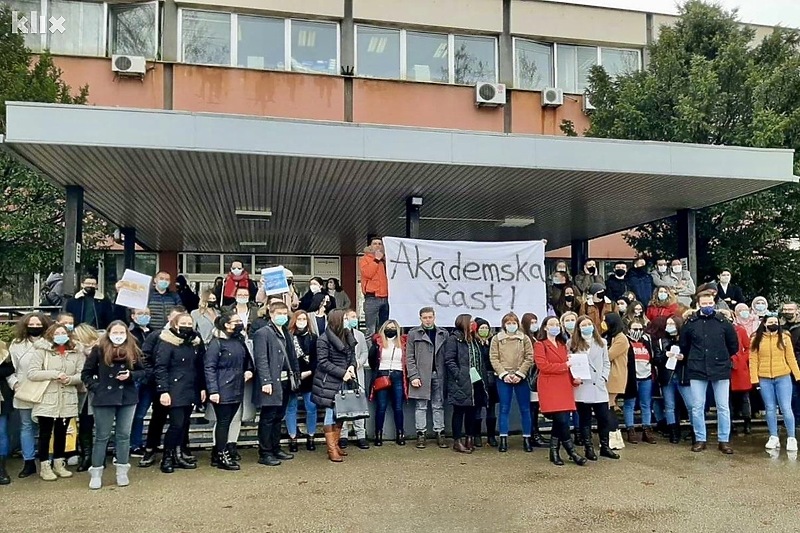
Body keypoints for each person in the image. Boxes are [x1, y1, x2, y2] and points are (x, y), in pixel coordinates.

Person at [82, 320, 145, 489]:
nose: (118, 336)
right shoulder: (99, 349)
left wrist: (131, 375)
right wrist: (97, 387)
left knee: (124, 435)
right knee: (102, 436)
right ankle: (96, 472)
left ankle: (122, 471)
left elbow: (143, 371)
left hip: (127, 397)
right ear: (108, 333)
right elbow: (86, 373)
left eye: (121, 332)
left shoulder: (133, 349)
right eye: (115, 332)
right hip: (104, 397)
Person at [679, 291, 739, 454]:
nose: (707, 306)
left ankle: (724, 440)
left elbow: (734, 345)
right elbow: (683, 344)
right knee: (697, 407)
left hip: (720, 367)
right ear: (698, 304)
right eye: (703, 304)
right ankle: (700, 439)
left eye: (709, 303)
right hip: (697, 368)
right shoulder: (690, 323)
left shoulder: (723, 322)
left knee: (723, 406)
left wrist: (722, 357)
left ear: (714, 303)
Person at [28, 323, 84, 481]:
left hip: (67, 397)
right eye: (57, 332)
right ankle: (45, 465)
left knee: (62, 432)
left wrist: (70, 379)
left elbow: (82, 373)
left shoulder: (76, 352)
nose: (60, 335)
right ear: (51, 335)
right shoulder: (42, 351)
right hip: (48, 397)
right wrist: (54, 374)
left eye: (63, 332)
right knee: (45, 433)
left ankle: (59, 463)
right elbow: (32, 373)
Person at [154, 312, 207, 473]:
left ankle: (179, 455)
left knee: (184, 424)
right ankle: (167, 457)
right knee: (176, 424)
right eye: (183, 323)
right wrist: (163, 390)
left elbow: (200, 366)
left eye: (189, 323)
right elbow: (160, 367)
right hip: (174, 389)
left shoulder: (195, 342)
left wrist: (202, 387)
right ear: (175, 325)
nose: (187, 326)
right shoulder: (167, 342)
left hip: (191, 388)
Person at [135, 306, 186, 466]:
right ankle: (151, 449)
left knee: (181, 421)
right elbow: (144, 357)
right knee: (158, 418)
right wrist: (153, 376)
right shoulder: (157, 335)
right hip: (160, 384)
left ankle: (179, 450)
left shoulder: (189, 338)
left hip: (182, 386)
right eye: (175, 317)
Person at [252, 301, 300, 466]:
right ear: (270, 314)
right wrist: (266, 380)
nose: (281, 317)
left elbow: (291, 356)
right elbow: (261, 359)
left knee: (279, 416)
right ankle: (265, 452)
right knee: (268, 417)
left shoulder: (285, 331)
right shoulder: (262, 333)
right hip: (271, 381)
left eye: (284, 314)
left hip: (285, 381)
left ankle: (275, 447)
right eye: (278, 313)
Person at [535, 316, 586, 466]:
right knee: (561, 420)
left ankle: (554, 451)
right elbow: (543, 366)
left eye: (557, 324)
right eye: (552, 324)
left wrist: (574, 380)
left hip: (563, 385)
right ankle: (572, 452)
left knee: (561, 420)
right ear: (545, 327)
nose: (555, 327)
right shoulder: (540, 345)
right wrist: (565, 366)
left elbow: (569, 367)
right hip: (549, 386)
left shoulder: (562, 344)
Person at [205, 312, 253, 470]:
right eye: (236, 321)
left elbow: (247, 360)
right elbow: (209, 367)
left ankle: (218, 453)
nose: (240, 323)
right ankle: (221, 454)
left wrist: (249, 369)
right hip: (222, 388)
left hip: (237, 387)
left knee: (228, 421)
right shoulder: (216, 343)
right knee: (223, 423)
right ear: (226, 324)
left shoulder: (238, 341)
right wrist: (213, 390)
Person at [7, 312, 52, 478]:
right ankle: (29, 462)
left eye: (38, 324)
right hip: (24, 391)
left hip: (47, 390)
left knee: (47, 427)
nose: (34, 327)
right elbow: (9, 369)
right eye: (31, 324)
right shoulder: (16, 344)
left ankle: (48, 461)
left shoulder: (52, 342)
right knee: (26, 426)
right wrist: (15, 384)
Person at [312, 309, 358, 463]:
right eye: (344, 318)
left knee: (341, 414)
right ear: (337, 320)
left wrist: (352, 366)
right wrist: (341, 373)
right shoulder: (324, 339)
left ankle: (336, 445)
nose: (347, 320)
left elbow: (352, 356)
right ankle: (331, 449)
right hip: (329, 382)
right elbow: (323, 362)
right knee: (330, 414)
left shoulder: (347, 336)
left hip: (344, 380)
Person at [570, 315, 619, 460]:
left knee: (603, 418)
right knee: (584, 419)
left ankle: (605, 446)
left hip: (598, 385)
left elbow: (606, 362)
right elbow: (570, 363)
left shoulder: (602, 342)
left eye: (589, 324)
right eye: (583, 325)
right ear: (578, 328)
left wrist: (604, 377)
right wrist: (574, 377)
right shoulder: (572, 343)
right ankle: (588, 448)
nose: (587, 327)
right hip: (582, 385)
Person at [750, 314, 800, 451]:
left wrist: (798, 376)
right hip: (764, 378)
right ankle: (773, 436)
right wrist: (754, 379)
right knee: (770, 408)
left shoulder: (784, 337)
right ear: (764, 324)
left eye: (775, 322)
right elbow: (753, 360)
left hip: (783, 376)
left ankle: (791, 437)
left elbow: (791, 357)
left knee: (786, 407)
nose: (773, 324)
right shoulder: (756, 339)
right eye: (770, 322)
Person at [489, 312, 534, 452]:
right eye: (508, 323)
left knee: (525, 409)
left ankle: (527, 438)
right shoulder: (496, 339)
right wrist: (503, 374)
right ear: (504, 325)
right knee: (504, 408)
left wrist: (520, 373)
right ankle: (503, 438)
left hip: (521, 377)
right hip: (503, 377)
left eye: (513, 323)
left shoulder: (524, 339)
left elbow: (529, 357)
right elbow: (494, 358)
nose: (511, 326)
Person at [406, 307, 449, 449]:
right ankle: (421, 434)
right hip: (421, 375)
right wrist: (413, 375)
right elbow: (409, 357)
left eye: (430, 317)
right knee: (421, 406)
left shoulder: (443, 333)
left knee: (438, 405)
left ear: (434, 317)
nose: (428, 320)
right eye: (425, 317)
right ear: (420, 318)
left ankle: (440, 432)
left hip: (439, 374)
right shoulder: (413, 334)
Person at [444, 314, 488, 453]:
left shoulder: (474, 339)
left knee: (472, 410)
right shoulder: (454, 339)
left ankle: (470, 437)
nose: (473, 325)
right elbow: (449, 360)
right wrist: (458, 374)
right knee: (459, 411)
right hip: (461, 380)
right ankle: (457, 441)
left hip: (476, 379)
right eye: (471, 322)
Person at [650, 316, 692, 444]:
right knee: (669, 406)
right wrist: (665, 355)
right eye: (667, 324)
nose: (669, 326)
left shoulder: (686, 341)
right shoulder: (661, 341)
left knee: (691, 405)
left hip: (683, 376)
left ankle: (696, 431)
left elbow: (693, 356)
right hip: (667, 377)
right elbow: (656, 359)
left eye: (672, 324)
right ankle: (673, 432)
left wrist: (684, 358)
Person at [368, 320, 408, 447]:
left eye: (393, 327)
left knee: (398, 407)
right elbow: (372, 359)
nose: (390, 329)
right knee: (381, 407)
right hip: (382, 374)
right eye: (388, 327)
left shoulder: (403, 342)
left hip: (398, 374)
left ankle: (400, 434)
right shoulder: (378, 342)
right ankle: (378, 434)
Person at [286, 310, 319, 452]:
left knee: (311, 407)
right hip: (292, 376)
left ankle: (310, 437)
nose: (301, 321)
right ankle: (292, 438)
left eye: (304, 319)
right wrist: (295, 373)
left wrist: (310, 371)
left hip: (310, 376)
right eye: (299, 319)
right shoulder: (288, 337)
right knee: (291, 407)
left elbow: (318, 358)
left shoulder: (314, 337)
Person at [340, 309, 370, 450]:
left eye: (355, 317)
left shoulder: (359, 335)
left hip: (357, 372)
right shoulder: (337, 335)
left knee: (359, 402)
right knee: (343, 402)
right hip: (342, 374)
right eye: (350, 317)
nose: (354, 319)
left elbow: (364, 352)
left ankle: (360, 434)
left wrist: (357, 363)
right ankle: (343, 435)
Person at [622, 321, 657, 444]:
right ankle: (630, 429)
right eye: (634, 328)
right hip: (631, 377)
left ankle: (646, 429)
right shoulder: (625, 340)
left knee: (646, 404)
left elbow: (652, 355)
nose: (637, 331)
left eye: (639, 328)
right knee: (629, 404)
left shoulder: (647, 340)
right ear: (629, 329)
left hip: (646, 376)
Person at [71, 324, 100, 472]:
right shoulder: (77, 351)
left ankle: (98, 456)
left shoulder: (101, 348)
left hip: (100, 391)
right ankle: (86, 455)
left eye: (77, 337)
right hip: (83, 392)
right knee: (85, 424)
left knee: (101, 425)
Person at [604, 312, 630, 450]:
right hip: (610, 375)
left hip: (615, 375)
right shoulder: (613, 337)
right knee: (610, 406)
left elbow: (609, 355)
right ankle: (613, 436)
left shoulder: (621, 339)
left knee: (609, 405)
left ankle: (614, 436)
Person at [521, 313, 547, 447]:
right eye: (531, 322)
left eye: (536, 322)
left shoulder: (536, 338)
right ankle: (532, 434)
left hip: (536, 376)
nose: (534, 325)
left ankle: (536, 433)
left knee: (535, 407)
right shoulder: (524, 339)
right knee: (531, 408)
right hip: (528, 377)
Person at [475, 317, 498, 446]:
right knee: (477, 408)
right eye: (481, 328)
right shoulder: (474, 343)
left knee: (491, 408)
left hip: (492, 379)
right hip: (478, 378)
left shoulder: (493, 343)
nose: (484, 330)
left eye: (486, 328)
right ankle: (477, 436)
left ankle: (491, 436)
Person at [359, 236, 389, 336]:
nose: (377, 246)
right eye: (375, 243)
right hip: (372, 297)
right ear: (370, 246)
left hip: (386, 297)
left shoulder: (386, 260)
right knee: (370, 330)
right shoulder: (364, 259)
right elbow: (368, 273)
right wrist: (376, 260)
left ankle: (381, 350)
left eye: (379, 244)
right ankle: (370, 351)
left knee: (384, 329)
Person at [0, 343, 14, 484]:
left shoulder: (2, 347)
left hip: (1, 397)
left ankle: (1, 469)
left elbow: (10, 368)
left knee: (1, 432)